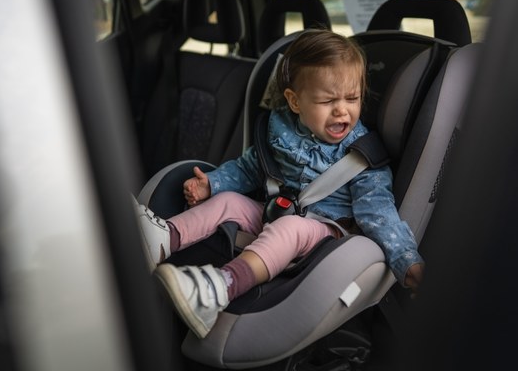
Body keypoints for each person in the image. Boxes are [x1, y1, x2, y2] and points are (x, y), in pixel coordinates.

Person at [136, 29, 424, 339]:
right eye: (328, 100)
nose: (342, 110)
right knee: (228, 201)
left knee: (291, 229)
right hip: (275, 210)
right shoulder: (280, 128)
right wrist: (213, 184)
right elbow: (251, 168)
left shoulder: (363, 155)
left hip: (325, 233)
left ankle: (218, 289)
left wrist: (406, 260)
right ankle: (162, 238)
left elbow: (378, 213)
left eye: (352, 98)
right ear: (295, 102)